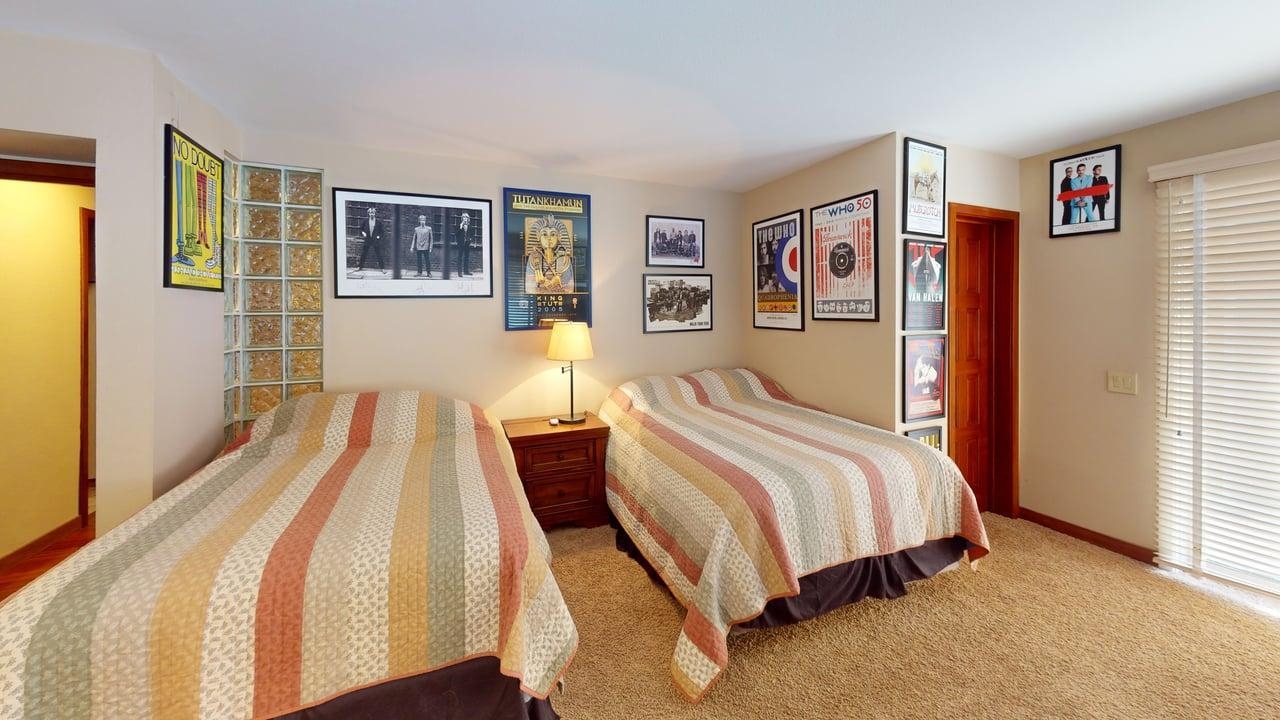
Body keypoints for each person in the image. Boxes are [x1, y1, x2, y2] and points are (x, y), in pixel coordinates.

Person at [356, 206, 385, 271]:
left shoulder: (378, 222)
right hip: (367, 239)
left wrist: (379, 236)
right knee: (364, 254)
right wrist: (363, 233)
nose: (372, 214)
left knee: (379, 254)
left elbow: (382, 232)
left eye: (373, 213)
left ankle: (382, 268)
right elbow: (361, 229)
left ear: (375, 214)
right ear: (368, 214)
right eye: (370, 213)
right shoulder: (365, 221)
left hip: (375, 240)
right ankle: (359, 267)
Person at [454, 212, 472, 276]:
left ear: (468, 219)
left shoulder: (469, 226)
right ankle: (460, 272)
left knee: (466, 257)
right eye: (464, 217)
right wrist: (461, 227)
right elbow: (456, 234)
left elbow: (471, 234)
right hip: (461, 244)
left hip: (467, 244)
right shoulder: (459, 225)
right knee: (460, 257)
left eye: (466, 217)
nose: (465, 218)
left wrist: (470, 239)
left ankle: (466, 271)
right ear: (462, 218)